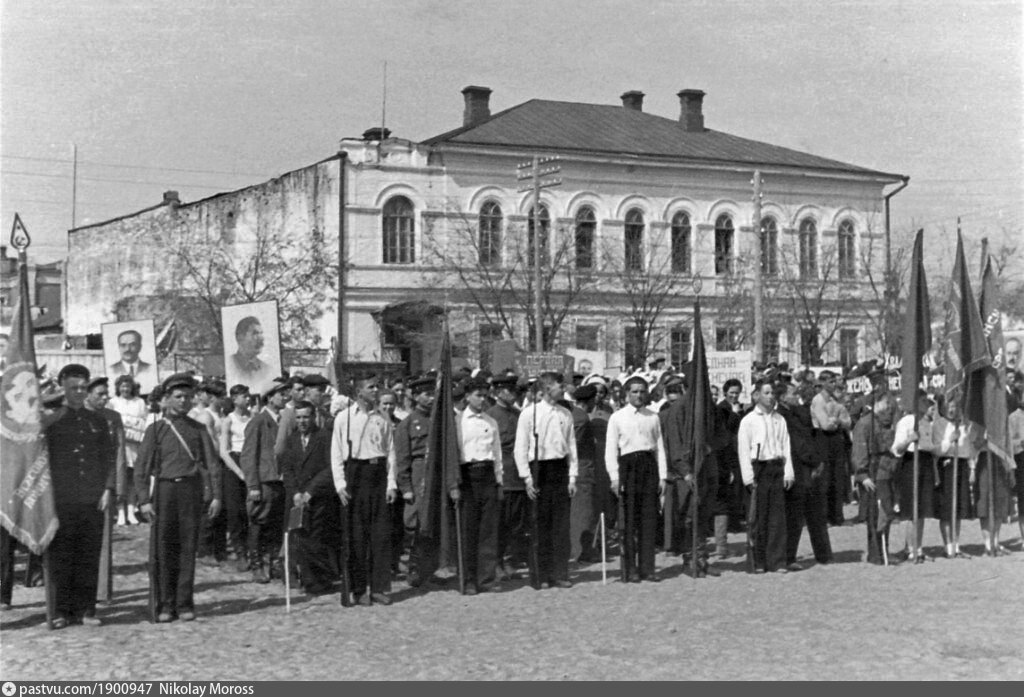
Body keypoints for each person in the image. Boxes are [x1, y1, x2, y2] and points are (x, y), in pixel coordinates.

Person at [134, 373, 222, 623]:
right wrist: (144, 500)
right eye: (178, 396)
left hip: (190, 492)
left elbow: (212, 464)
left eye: (187, 397)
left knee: (187, 548)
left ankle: (184, 603)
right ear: (166, 400)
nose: (184, 401)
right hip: (164, 492)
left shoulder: (198, 429)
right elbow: (141, 468)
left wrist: (216, 496)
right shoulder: (156, 429)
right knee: (163, 549)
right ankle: (165, 604)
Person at [43, 364, 116, 628]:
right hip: (61, 498)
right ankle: (60, 610)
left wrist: (108, 488)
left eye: (83, 388)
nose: (78, 392)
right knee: (61, 555)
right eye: (73, 388)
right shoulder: (51, 419)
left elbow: (108, 456)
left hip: (92, 497)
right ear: (62, 386)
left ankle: (86, 610)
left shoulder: (96, 420)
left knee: (88, 554)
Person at [331, 373, 399, 606]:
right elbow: (336, 453)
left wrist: (391, 483)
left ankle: (379, 588)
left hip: (378, 475)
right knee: (357, 536)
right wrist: (340, 484)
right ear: (358, 392)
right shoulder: (344, 418)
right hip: (355, 477)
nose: (375, 391)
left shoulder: (383, 418)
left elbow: (391, 452)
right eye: (371, 387)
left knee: (380, 536)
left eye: (376, 386)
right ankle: (359, 589)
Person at [513, 371, 578, 589]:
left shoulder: (565, 414)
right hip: (539, 469)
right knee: (539, 525)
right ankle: (540, 575)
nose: (564, 389)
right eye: (560, 385)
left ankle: (559, 573)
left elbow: (571, 447)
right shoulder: (529, 414)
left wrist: (572, 476)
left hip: (559, 470)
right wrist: (527, 479)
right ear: (547, 388)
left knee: (560, 525)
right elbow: (520, 448)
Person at [607, 375, 667, 582]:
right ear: (626, 394)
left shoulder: (653, 416)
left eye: (642, 391)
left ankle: (647, 568)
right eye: (634, 391)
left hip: (649, 467)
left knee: (648, 520)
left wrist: (663, 476)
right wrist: (615, 478)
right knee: (629, 521)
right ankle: (630, 568)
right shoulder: (617, 418)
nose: (639, 395)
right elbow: (610, 450)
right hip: (628, 468)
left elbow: (660, 448)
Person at [279, 400, 340, 595]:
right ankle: (308, 580)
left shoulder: (325, 437)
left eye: (306, 417)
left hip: (319, 497)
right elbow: (287, 469)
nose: (302, 421)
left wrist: (310, 491)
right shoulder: (292, 440)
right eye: (299, 418)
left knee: (317, 539)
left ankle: (322, 579)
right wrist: (295, 492)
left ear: (313, 417)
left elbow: (330, 468)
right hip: (297, 499)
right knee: (300, 539)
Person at [737, 378, 795, 574]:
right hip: (758, 470)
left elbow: (785, 445)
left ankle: (777, 560)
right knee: (758, 518)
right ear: (756, 395)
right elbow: (743, 450)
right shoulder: (748, 421)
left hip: (776, 467)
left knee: (777, 518)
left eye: (773, 394)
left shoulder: (780, 419)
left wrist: (788, 472)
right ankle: (759, 560)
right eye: (766, 393)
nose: (770, 397)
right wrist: (748, 477)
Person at [454, 378, 503, 594]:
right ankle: (469, 579)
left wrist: (499, 480)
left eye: (485, 395)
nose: (482, 400)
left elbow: (498, 453)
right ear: (467, 396)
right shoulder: (458, 423)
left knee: (488, 531)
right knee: (468, 530)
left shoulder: (491, 422)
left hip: (488, 475)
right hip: (467, 476)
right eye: (478, 395)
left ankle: (487, 578)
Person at [776, 382, 831, 569]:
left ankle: (823, 553)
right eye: (792, 392)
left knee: (813, 513)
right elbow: (800, 444)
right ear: (783, 397)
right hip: (798, 469)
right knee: (795, 516)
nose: (796, 395)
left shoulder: (794, 412)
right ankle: (789, 556)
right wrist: (815, 461)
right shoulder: (784, 417)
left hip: (805, 468)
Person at [240, 378, 289, 583]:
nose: (285, 398)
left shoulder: (285, 420)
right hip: (264, 481)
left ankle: (275, 564)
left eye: (286, 394)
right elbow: (248, 455)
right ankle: (257, 565)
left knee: (277, 525)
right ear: (269, 398)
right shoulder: (259, 422)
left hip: (280, 480)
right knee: (259, 523)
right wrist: (253, 485)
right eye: (280, 394)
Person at [396, 376, 437, 587]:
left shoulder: (439, 420)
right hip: (417, 473)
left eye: (432, 393)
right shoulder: (408, 424)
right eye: (426, 394)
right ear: (415, 396)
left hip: (435, 473)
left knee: (434, 522)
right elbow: (402, 459)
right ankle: (414, 568)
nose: (430, 398)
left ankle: (430, 569)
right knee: (415, 524)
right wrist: (406, 488)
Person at [851, 393, 899, 564]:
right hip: (873, 474)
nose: (889, 408)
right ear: (877, 404)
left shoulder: (886, 424)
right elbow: (859, 449)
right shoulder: (865, 424)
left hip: (887, 473)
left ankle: (884, 549)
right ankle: (875, 553)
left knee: (886, 514)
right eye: (886, 404)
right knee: (875, 516)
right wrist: (862, 475)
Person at [890, 390, 938, 563]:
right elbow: (896, 449)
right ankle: (910, 548)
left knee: (922, 509)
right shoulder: (907, 421)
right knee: (911, 509)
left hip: (925, 461)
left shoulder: (929, 422)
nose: (928, 404)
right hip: (911, 462)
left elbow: (932, 445)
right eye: (924, 400)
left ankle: (918, 546)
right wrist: (909, 439)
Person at [933, 397, 976, 559]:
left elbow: (969, 448)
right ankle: (947, 545)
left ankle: (956, 544)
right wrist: (949, 440)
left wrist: (972, 468)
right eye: (949, 406)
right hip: (947, 465)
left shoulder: (964, 425)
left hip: (962, 464)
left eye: (955, 406)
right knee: (946, 508)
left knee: (958, 507)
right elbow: (937, 449)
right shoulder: (939, 425)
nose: (952, 410)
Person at [810, 371, 852, 526]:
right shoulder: (818, 400)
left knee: (838, 477)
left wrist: (837, 421)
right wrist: (837, 420)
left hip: (836, 439)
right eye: (831, 381)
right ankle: (824, 517)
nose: (834, 384)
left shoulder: (836, 399)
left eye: (835, 381)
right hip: (823, 439)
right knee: (825, 479)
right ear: (822, 383)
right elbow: (825, 424)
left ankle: (837, 516)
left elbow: (848, 422)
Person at [108, 375, 147, 525]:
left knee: (132, 478)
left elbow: (144, 421)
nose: (125, 389)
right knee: (120, 477)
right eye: (122, 386)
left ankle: (131, 511)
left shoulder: (140, 402)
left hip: (134, 445)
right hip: (119, 446)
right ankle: (120, 512)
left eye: (128, 386)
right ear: (118, 387)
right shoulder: (113, 402)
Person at [219, 384, 252, 563]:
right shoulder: (228, 420)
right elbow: (224, 451)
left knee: (250, 509)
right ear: (235, 399)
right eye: (244, 396)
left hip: (249, 461)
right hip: (233, 464)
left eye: (248, 396)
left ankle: (250, 547)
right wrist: (239, 472)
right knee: (235, 510)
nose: (248, 399)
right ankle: (239, 550)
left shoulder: (252, 417)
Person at [228, 316, 277, 394]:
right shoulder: (229, 364)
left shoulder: (267, 369)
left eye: (261, 333)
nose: (261, 338)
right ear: (240, 337)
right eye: (255, 333)